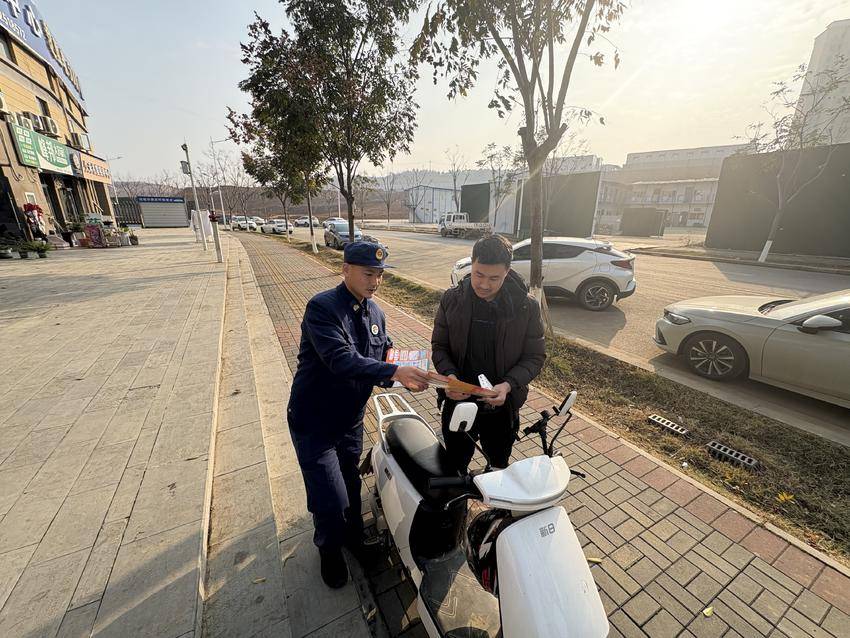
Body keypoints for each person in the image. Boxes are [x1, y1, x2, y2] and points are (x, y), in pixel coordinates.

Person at [287, 241, 429, 589]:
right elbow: (341, 360)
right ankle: (329, 549)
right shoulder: (322, 308)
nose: (375, 282)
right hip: (315, 422)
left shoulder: (375, 312)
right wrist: (395, 372)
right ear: (345, 269)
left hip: (349, 421)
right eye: (368, 274)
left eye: (379, 275)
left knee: (350, 483)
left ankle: (352, 536)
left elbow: (385, 355)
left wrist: (414, 371)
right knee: (329, 497)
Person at [431, 234, 546, 472]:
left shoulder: (526, 307)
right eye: (478, 274)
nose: (484, 284)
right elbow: (440, 346)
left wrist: (508, 385)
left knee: (498, 466)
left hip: (502, 405)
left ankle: (494, 495)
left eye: (494, 278)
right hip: (459, 401)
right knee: (455, 463)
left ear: (507, 272)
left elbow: (534, 357)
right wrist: (449, 377)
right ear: (471, 264)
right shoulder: (452, 300)